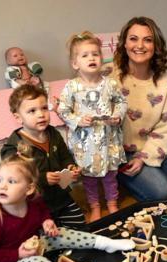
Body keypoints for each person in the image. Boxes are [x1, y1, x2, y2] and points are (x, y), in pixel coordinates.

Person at [0, 149, 135, 262]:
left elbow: (42, 212)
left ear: (29, 189)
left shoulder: (34, 202)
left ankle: (105, 243)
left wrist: (46, 221)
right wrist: (17, 254)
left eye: (11, 181)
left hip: (35, 246)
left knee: (62, 232)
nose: (2, 186)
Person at [108, 16, 167, 201]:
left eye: (147, 40)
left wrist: (144, 157)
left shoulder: (166, 81)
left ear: (155, 45)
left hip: (158, 143)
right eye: (133, 39)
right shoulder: (109, 76)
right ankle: (119, 176)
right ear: (124, 44)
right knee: (160, 192)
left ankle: (150, 170)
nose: (140, 45)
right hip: (122, 151)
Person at [57, 31, 127, 222]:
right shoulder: (71, 86)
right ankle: (94, 205)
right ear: (75, 63)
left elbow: (121, 103)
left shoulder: (110, 84)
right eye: (85, 55)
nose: (91, 58)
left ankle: (112, 202)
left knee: (110, 175)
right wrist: (77, 119)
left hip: (108, 140)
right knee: (89, 178)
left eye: (95, 54)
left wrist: (116, 116)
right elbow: (62, 109)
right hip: (85, 144)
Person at [1, 85, 86, 229]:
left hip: (61, 197)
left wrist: (70, 167)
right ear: (18, 117)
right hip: (34, 203)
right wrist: (42, 178)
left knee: (80, 224)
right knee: (39, 235)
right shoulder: (14, 146)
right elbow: (16, 177)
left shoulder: (53, 134)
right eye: (32, 111)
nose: (41, 114)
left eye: (44, 108)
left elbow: (65, 157)